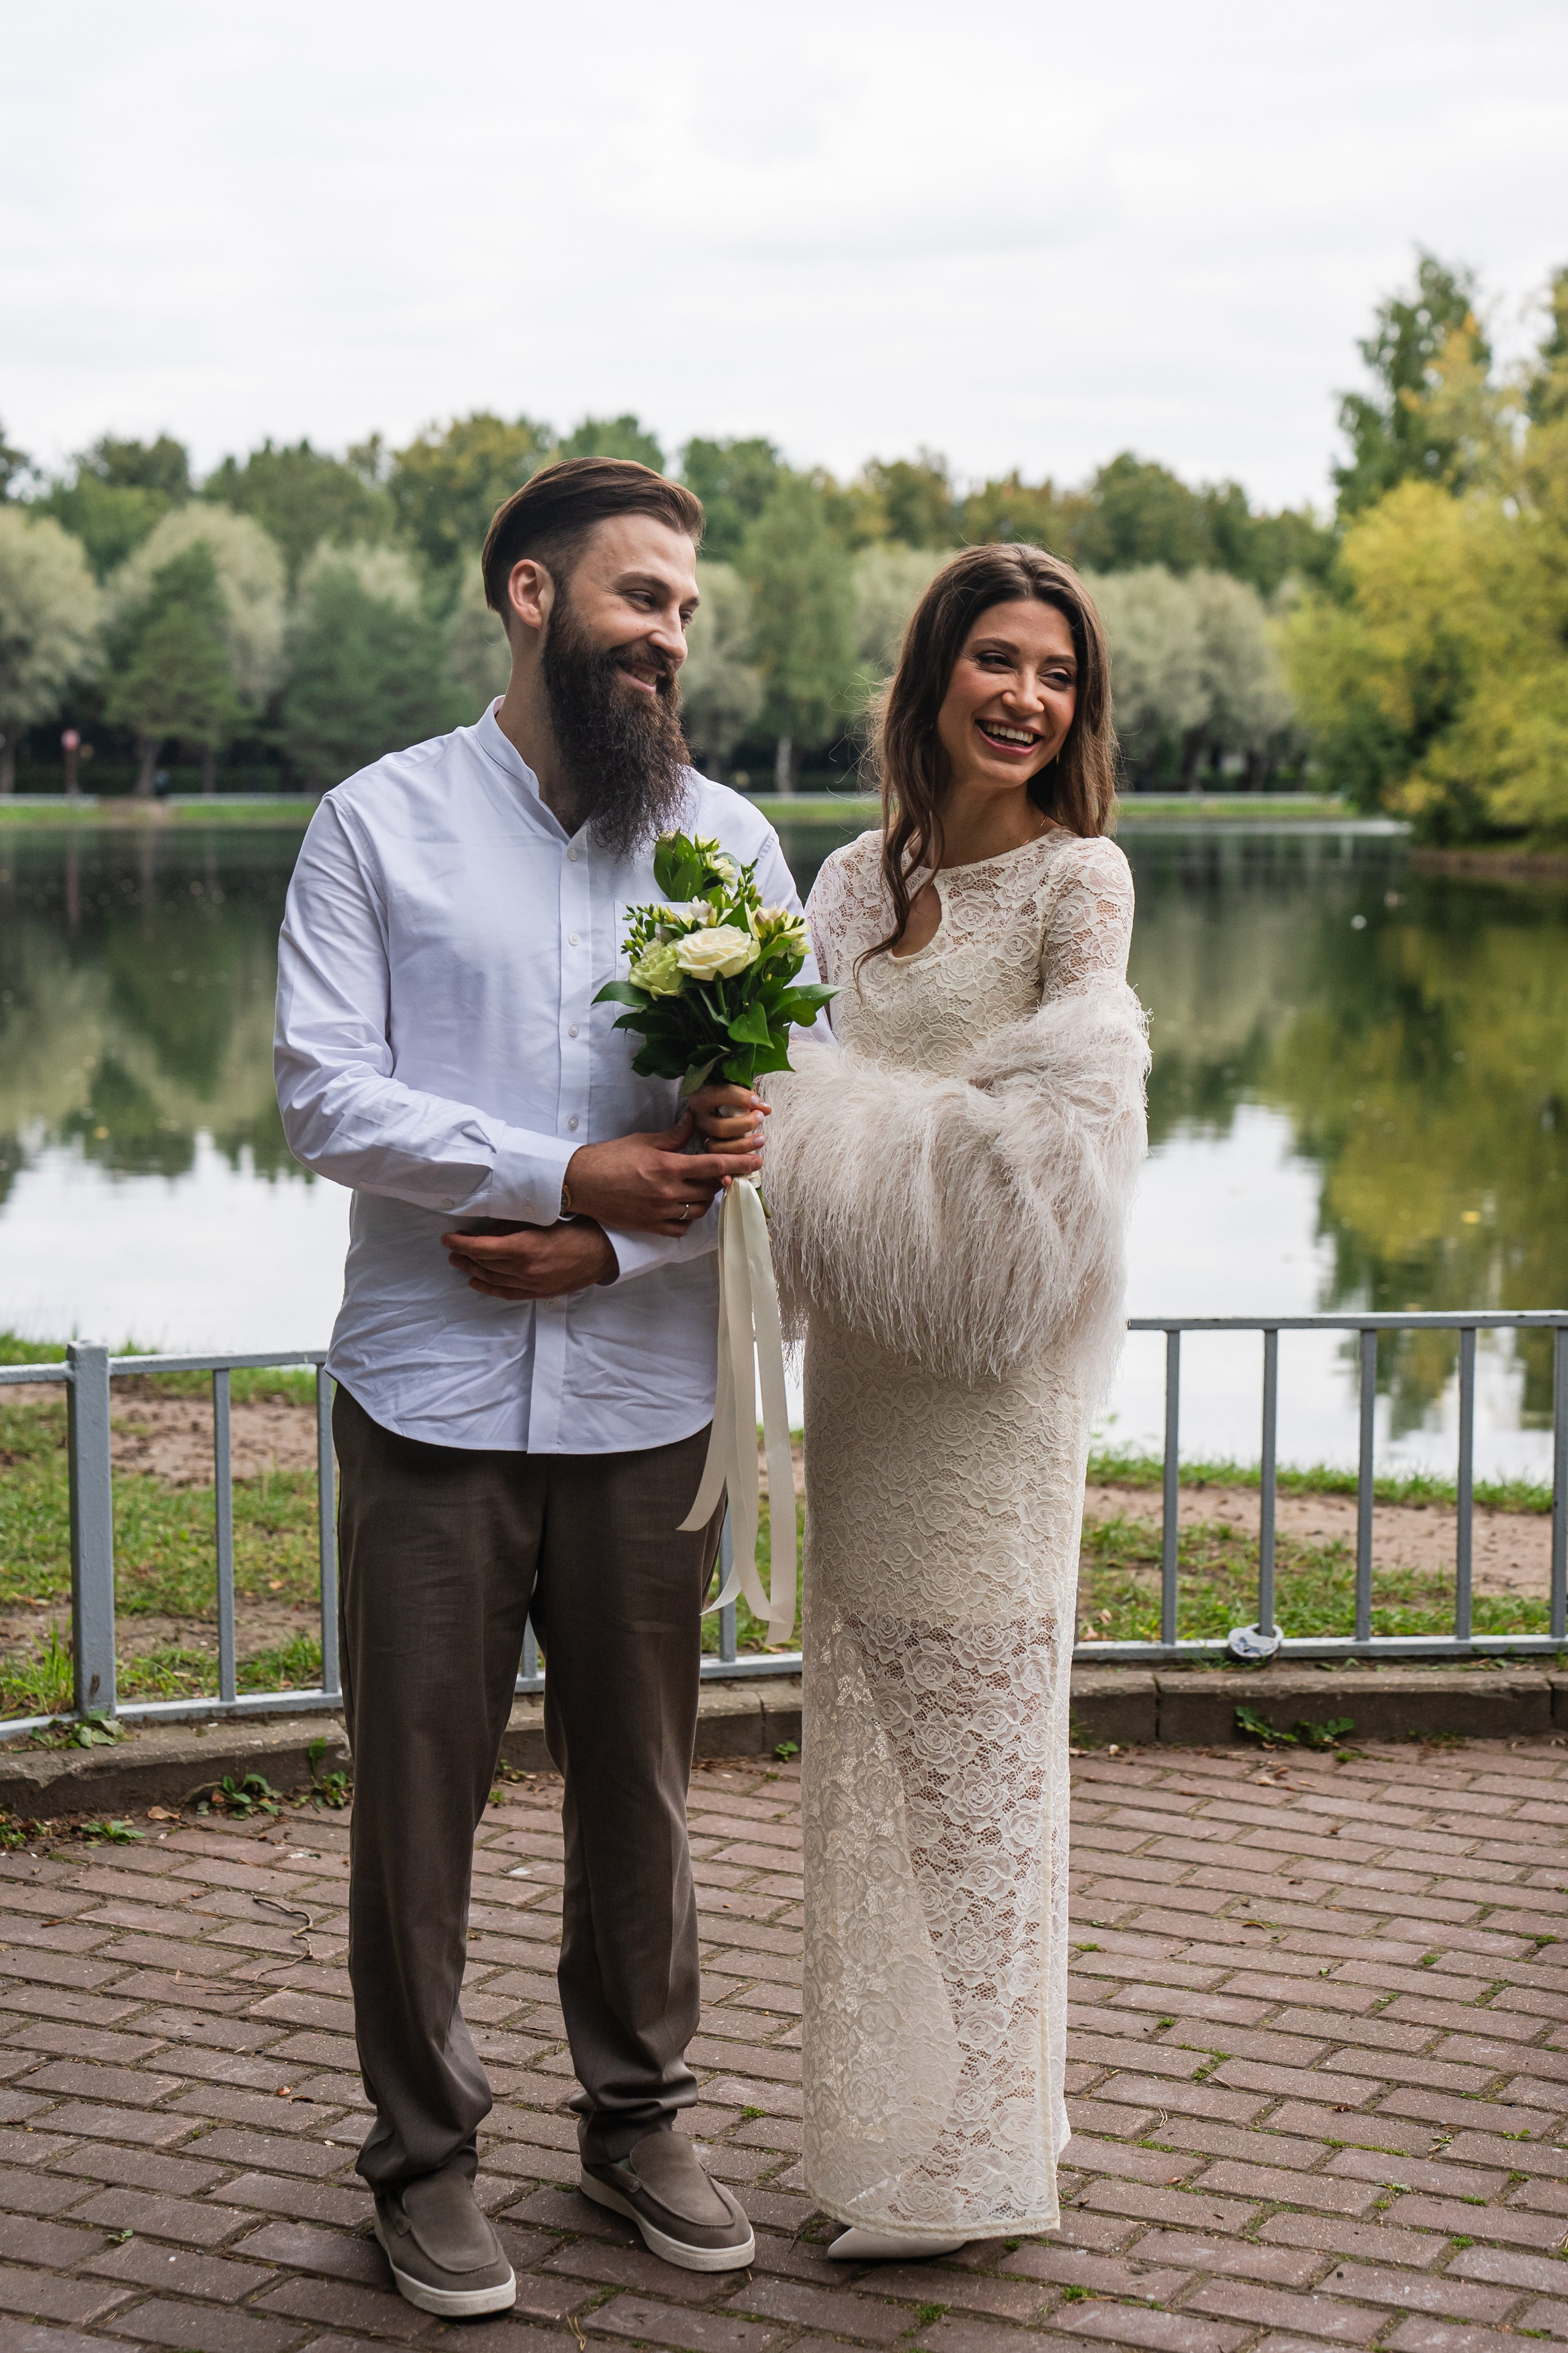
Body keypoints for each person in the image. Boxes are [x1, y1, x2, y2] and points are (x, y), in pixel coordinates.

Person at [274, 458, 820, 2315]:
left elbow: (763, 1142)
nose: (667, 636)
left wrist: (615, 1239)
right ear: (530, 594)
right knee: (414, 1801)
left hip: (646, 1391)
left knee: (644, 1793)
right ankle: (422, 2161)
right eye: (638, 597)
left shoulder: (727, 850)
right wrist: (556, 1169)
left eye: (684, 609)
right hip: (426, 1395)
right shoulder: (374, 825)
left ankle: (640, 2117)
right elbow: (326, 1096)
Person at [698, 544, 1148, 2259]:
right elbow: (769, 1109)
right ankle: (896, 2112)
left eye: (1057, 673)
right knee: (875, 1725)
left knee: (983, 1747)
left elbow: (1053, 1168)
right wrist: (793, 1124)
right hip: (866, 1380)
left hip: (993, 1389)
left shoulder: (1080, 885)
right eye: (998, 661)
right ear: (935, 677)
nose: (1027, 697)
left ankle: (984, 2133)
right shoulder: (844, 880)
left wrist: (825, 1136)